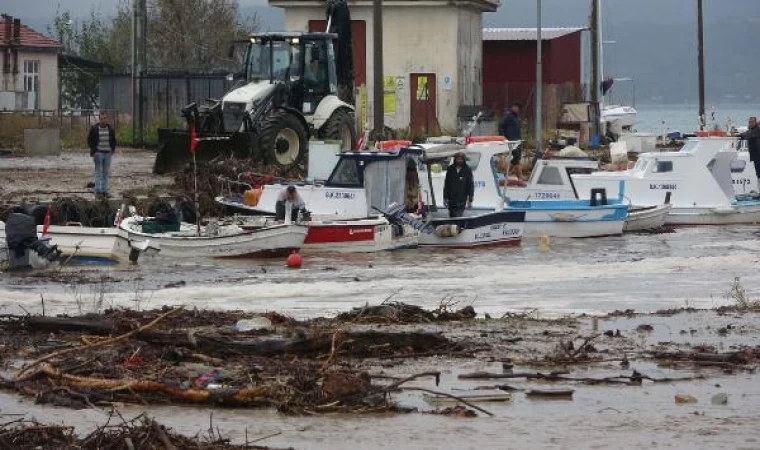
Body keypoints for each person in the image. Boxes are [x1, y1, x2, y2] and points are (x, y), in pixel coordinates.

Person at [87, 112, 116, 198]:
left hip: (108, 153)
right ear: (99, 119)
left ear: (107, 119)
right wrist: (94, 150)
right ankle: (98, 191)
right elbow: (89, 140)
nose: (104, 120)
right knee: (99, 172)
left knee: (106, 173)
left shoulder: (111, 129)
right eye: (102, 118)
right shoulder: (94, 128)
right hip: (98, 153)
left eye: (105, 118)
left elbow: (113, 140)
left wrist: (112, 149)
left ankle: (105, 191)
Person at [443, 152, 474, 218]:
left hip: (462, 199)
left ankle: (458, 227)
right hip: (451, 199)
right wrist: (445, 197)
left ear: (464, 160)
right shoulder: (450, 169)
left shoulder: (467, 170)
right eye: (458, 159)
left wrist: (470, 199)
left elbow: (470, 185)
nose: (460, 160)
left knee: (459, 217)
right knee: (452, 216)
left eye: (461, 159)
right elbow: (446, 184)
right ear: (455, 159)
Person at [499, 102, 523, 179]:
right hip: (511, 141)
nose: (516, 108)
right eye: (514, 107)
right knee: (516, 157)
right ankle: (519, 176)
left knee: (517, 159)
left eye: (517, 107)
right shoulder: (508, 116)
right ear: (512, 107)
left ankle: (507, 173)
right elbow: (501, 126)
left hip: (517, 141)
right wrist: (503, 137)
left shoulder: (517, 118)